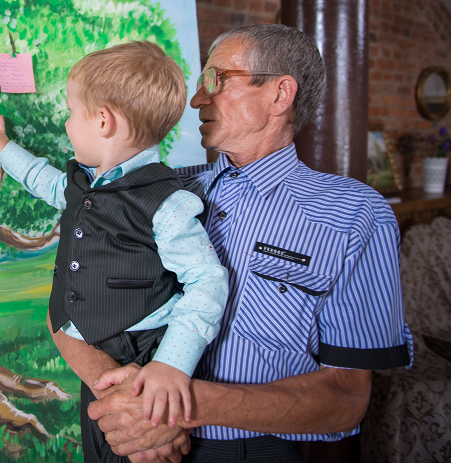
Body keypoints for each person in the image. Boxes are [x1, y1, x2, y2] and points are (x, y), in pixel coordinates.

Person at [79, 24, 413, 463]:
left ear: (280, 94)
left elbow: (346, 399)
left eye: (216, 80)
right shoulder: (159, 192)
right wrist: (124, 398)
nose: (198, 99)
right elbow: (66, 299)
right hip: (127, 440)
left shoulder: (352, 215)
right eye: (200, 83)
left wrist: (169, 404)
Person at [0, 41, 228, 462]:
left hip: (145, 352)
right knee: (101, 445)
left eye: (71, 113)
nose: (68, 124)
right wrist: (3, 149)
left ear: (103, 121)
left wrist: (171, 365)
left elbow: (208, 280)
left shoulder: (166, 202)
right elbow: (47, 183)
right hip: (95, 350)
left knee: (143, 449)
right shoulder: (89, 182)